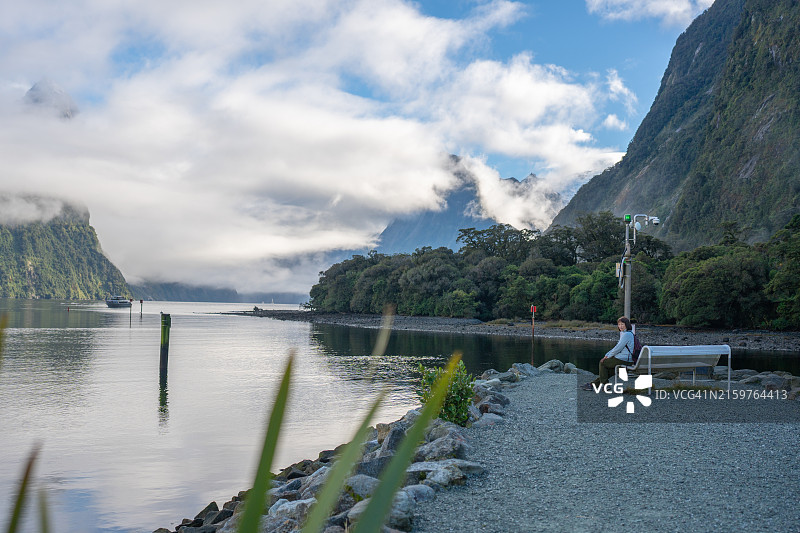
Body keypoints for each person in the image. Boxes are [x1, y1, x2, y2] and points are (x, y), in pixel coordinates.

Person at [580, 317, 634, 390]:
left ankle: (605, 385)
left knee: (602, 363)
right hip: (627, 360)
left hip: (624, 360)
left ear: (626, 325)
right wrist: (607, 354)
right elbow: (617, 347)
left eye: (622, 324)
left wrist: (607, 356)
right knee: (607, 373)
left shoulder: (626, 334)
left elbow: (618, 348)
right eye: (619, 324)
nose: (620, 326)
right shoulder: (628, 334)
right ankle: (591, 385)